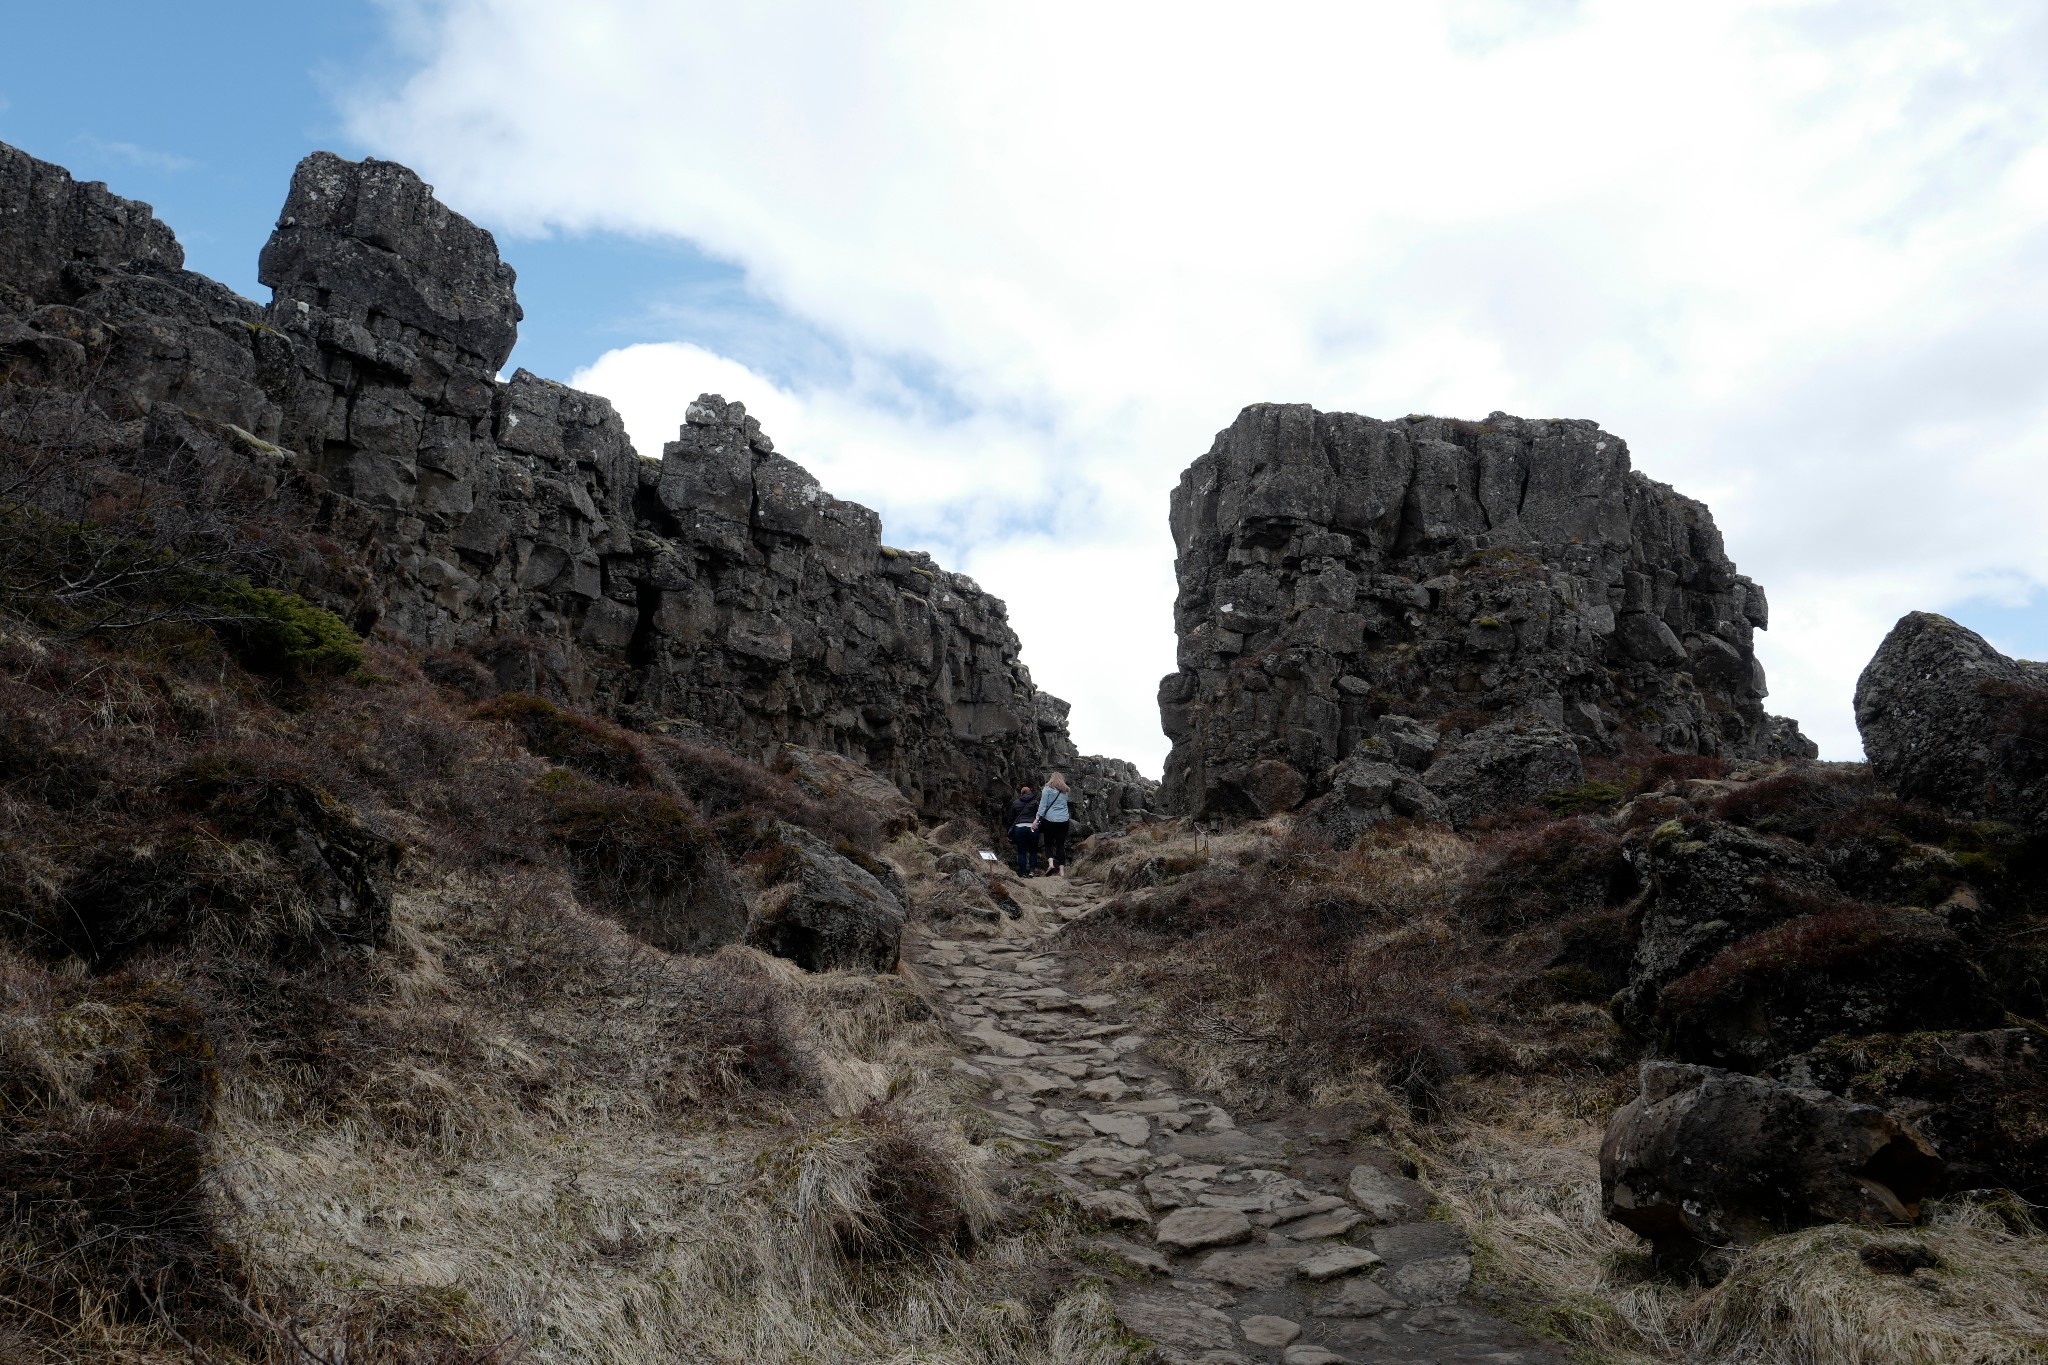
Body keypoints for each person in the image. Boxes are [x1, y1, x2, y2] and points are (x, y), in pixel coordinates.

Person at [1033, 772, 1072, 876]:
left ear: (1051, 778)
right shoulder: (1066, 790)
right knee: (1060, 845)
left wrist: (1037, 818)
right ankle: (1062, 871)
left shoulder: (1047, 789)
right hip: (1064, 820)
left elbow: (1043, 805)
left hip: (1050, 819)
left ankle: (1051, 864)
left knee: (1048, 843)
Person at [1007, 784, 1040, 876]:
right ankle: (1032, 871)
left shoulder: (1015, 803)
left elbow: (1010, 819)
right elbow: (1039, 816)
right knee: (1033, 850)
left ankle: (1023, 873)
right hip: (1032, 828)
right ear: (1030, 792)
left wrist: (1009, 832)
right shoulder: (1035, 802)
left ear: (1021, 793)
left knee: (1021, 851)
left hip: (1019, 828)